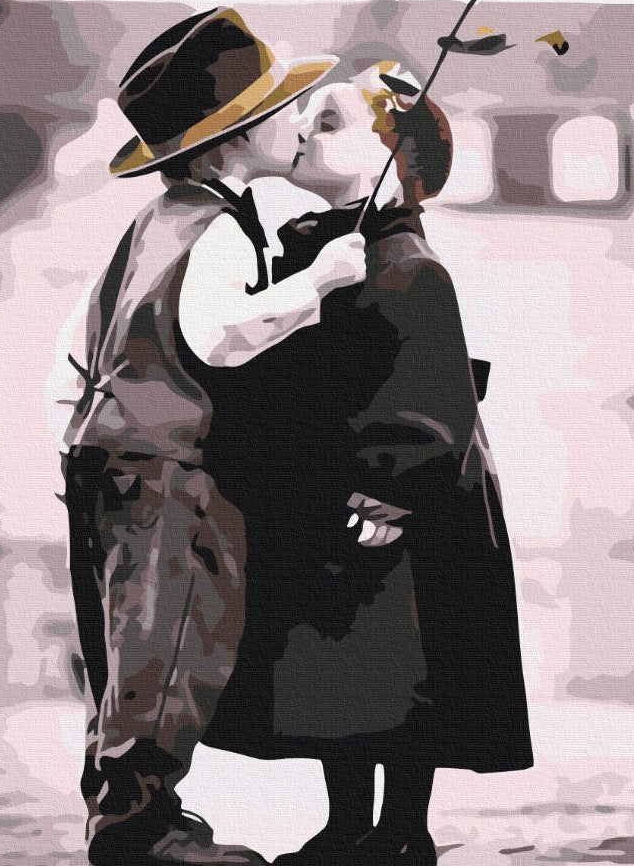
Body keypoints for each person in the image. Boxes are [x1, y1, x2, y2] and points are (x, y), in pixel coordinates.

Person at [198, 63, 535, 865]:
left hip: (401, 505)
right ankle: (347, 822)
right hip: (331, 497)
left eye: (329, 121)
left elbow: (429, 394)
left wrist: (387, 492)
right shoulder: (323, 259)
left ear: (391, 153)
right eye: (306, 119)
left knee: (406, 668)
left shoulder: (408, 265)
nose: (303, 132)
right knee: (337, 671)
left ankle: (403, 829)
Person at [58, 7, 367, 865]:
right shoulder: (218, 226)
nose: (294, 120)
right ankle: (141, 831)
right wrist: (318, 283)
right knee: (170, 643)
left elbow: (79, 350)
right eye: (276, 109)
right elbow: (217, 335)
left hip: (106, 456)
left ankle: (129, 814)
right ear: (234, 139)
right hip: (168, 465)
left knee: (123, 650)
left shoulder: (153, 224)